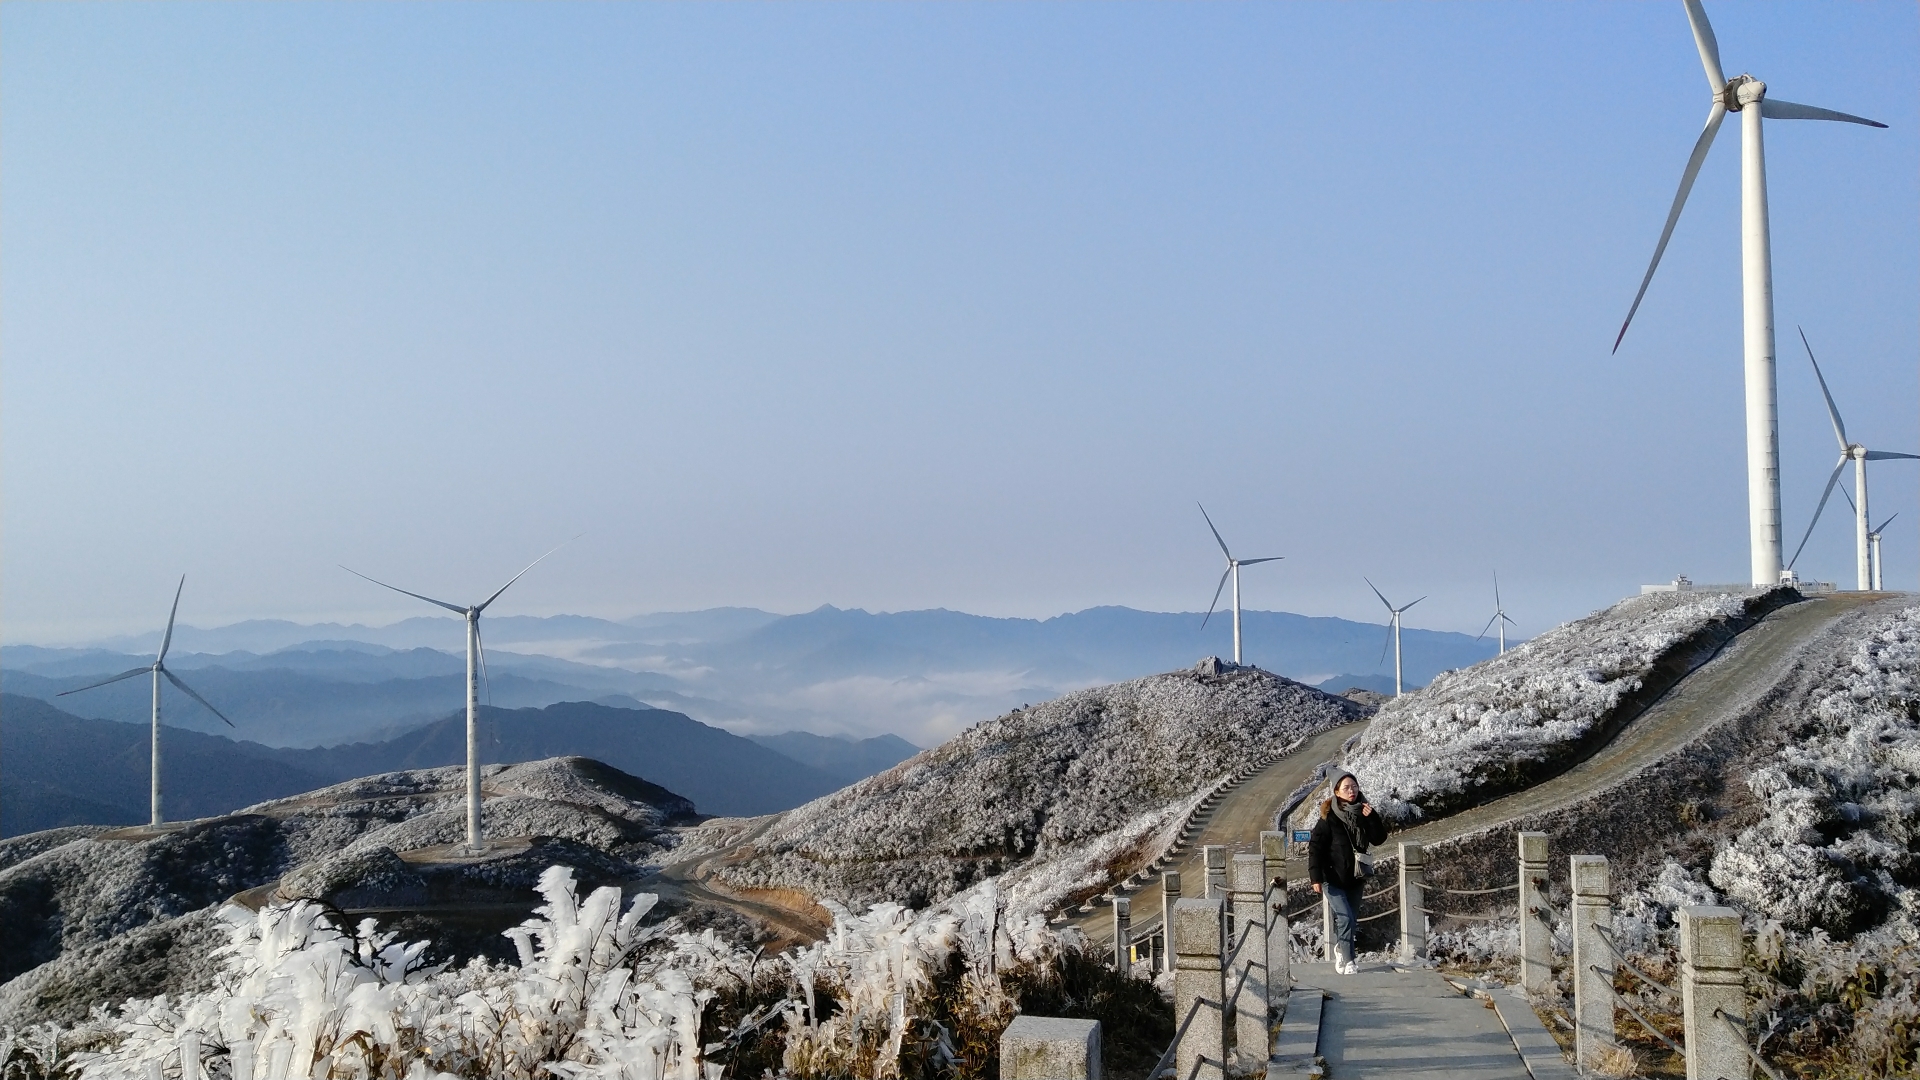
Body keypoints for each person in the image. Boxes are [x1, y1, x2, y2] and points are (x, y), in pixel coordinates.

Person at [1307, 766, 1387, 974]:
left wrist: (1372, 818)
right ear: (1336, 792)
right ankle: (1349, 960)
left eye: (1354, 786)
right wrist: (1315, 877)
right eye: (1346, 787)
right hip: (1331, 877)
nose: (1351, 790)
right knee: (1345, 917)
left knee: (1351, 918)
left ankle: (1342, 951)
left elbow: (1378, 839)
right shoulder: (1328, 818)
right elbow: (1315, 847)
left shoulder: (1364, 811)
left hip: (1355, 877)